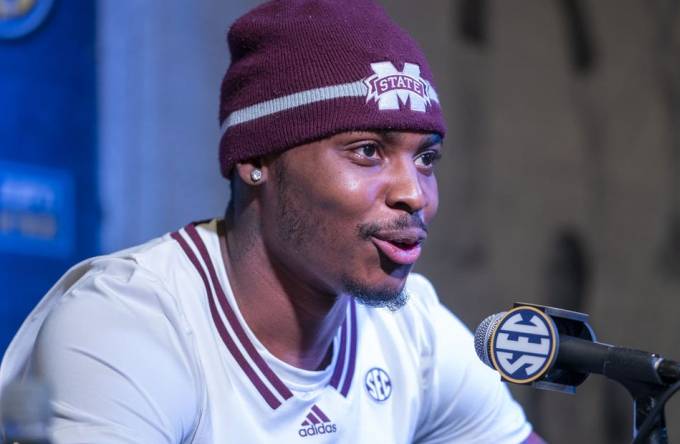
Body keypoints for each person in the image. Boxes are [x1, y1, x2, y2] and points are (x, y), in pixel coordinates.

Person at [1, 1, 543, 442]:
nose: (414, 194)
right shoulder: (127, 324)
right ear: (256, 160)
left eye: (426, 159)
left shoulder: (413, 328)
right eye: (367, 152)